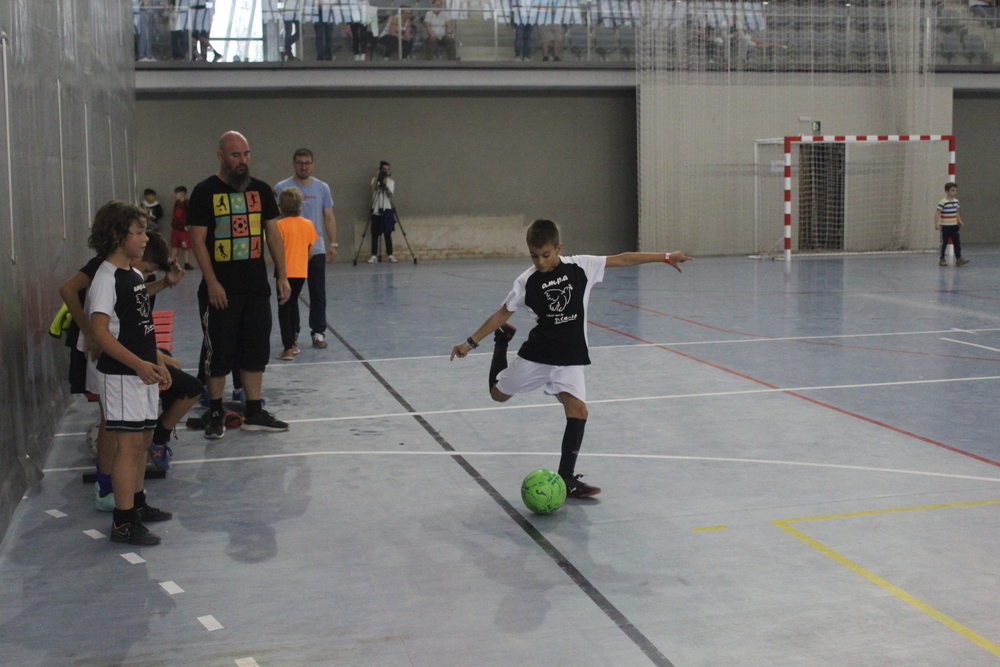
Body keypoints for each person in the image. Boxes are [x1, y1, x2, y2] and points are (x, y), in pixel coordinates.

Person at [450, 218, 692, 498]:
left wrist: (664, 257)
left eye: (545, 254)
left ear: (558, 247)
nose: (539, 261)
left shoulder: (581, 267)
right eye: (533, 255)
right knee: (497, 395)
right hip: (538, 355)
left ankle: (566, 478)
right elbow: (503, 313)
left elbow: (623, 259)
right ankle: (502, 342)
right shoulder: (526, 281)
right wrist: (470, 342)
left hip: (571, 357)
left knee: (578, 411)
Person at [188, 131, 291, 439]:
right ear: (221, 156)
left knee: (255, 350)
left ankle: (254, 410)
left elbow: (273, 235)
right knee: (218, 352)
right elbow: (197, 240)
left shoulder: (260, 190)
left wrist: (282, 275)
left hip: (256, 288)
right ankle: (217, 411)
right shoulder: (204, 191)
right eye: (235, 155)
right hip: (221, 290)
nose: (242, 161)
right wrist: (212, 282)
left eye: (246, 154)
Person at [84, 201, 173, 545]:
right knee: (129, 445)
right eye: (138, 233)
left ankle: (136, 504)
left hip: (143, 374)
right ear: (119, 237)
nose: (144, 239)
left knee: (143, 442)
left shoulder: (134, 276)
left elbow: (144, 327)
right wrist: (137, 364)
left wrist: (159, 363)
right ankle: (122, 522)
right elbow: (101, 333)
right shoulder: (105, 278)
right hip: (122, 376)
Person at [274, 148, 338, 349]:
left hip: (315, 250)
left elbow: (328, 216)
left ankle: (318, 332)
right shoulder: (282, 187)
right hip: (291, 253)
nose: (303, 166)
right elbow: (275, 220)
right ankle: (292, 332)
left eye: (307, 162)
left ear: (313, 164)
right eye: (300, 162)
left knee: (317, 293)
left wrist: (333, 243)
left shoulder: (322, 188)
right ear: (294, 164)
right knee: (289, 296)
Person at [274, 188, 318, 361]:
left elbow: (277, 250)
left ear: (281, 206)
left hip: (284, 273)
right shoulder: (308, 224)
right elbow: (311, 251)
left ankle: (288, 349)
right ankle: (293, 343)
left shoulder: (278, 226)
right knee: (293, 304)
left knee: (283, 309)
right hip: (301, 272)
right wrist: (300, 261)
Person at [368, 160, 397, 263]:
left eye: (388, 170)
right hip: (376, 209)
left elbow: (390, 195)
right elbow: (372, 190)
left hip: (387, 209)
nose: (386, 172)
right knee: (375, 233)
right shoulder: (374, 180)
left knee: (387, 233)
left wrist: (385, 185)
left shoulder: (391, 182)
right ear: (380, 170)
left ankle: (390, 254)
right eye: (384, 170)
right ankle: (373, 255)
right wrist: (377, 178)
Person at [935, 182, 969, 267]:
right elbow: (937, 213)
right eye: (952, 190)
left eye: (955, 190)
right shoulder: (943, 202)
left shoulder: (956, 201)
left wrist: (959, 221)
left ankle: (959, 258)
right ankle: (942, 258)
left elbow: (956, 212)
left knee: (957, 243)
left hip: (954, 226)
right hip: (946, 226)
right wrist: (937, 223)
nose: (954, 192)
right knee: (944, 243)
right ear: (947, 191)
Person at [170, 185, 194, 269]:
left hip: (184, 229)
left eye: (176, 193)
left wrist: (187, 225)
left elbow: (190, 215)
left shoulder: (187, 203)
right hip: (176, 228)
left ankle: (186, 263)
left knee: (185, 247)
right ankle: (171, 262)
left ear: (181, 194)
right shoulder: (176, 203)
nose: (174, 195)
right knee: (174, 246)